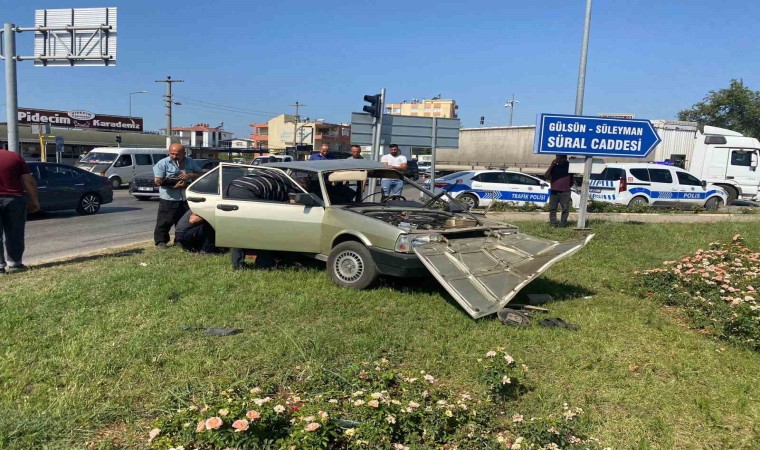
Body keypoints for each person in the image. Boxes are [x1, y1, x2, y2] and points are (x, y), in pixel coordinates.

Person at [226, 169, 301, 269]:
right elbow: (290, 206)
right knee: (263, 231)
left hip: (230, 186)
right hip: (248, 192)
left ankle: (237, 263)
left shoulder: (278, 176)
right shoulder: (287, 187)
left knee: (239, 229)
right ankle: (264, 263)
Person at [153, 144, 202, 248]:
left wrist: (190, 175)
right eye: (172, 154)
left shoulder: (190, 161)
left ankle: (180, 241)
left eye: (177, 154)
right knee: (164, 221)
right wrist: (172, 185)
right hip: (169, 198)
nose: (174, 156)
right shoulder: (162, 163)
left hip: (185, 198)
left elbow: (200, 174)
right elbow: (158, 181)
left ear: (184, 154)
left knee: (182, 222)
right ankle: (161, 241)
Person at [0, 149, 40, 274]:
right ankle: (15, 264)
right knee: (15, 232)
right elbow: (29, 181)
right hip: (14, 199)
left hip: (14, 199)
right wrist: (34, 200)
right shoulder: (14, 157)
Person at [544, 154, 572, 227]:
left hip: (565, 191)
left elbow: (572, 177)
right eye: (557, 158)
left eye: (560, 158)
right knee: (552, 208)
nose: (558, 160)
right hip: (554, 191)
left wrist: (573, 161)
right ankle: (553, 224)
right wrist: (552, 165)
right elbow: (546, 175)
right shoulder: (554, 166)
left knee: (565, 208)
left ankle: (563, 224)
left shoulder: (569, 166)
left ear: (565, 158)